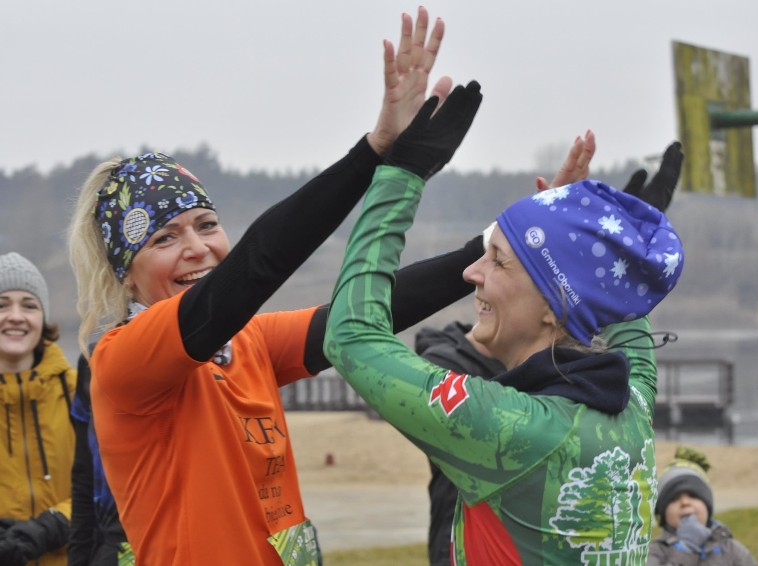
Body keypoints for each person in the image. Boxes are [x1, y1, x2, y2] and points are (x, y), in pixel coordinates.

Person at [66, 8, 490, 565]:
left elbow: (369, 310)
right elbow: (255, 267)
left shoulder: (249, 344)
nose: (197, 247)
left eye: (207, 226)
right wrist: (375, 153)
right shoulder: (125, 361)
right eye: (165, 238)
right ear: (126, 272)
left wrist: (502, 246)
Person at [324, 82, 686, 563]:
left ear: (550, 306)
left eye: (497, 260)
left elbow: (351, 337)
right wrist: (604, 245)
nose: (471, 271)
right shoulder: (631, 405)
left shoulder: (512, 429)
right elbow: (620, 314)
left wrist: (402, 173)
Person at [415, 137, 684, 565]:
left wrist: (603, 266)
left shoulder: (588, 388)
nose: (476, 276)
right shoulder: (452, 365)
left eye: (500, 263)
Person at [0, 252, 77, 566]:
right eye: (2, 305)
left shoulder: (80, 392)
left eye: (29, 305)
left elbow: (112, 483)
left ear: (42, 319)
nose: (16, 316)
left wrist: (55, 524)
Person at [67, 352, 133, 566]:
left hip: (182, 542)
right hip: (114, 547)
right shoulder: (94, 358)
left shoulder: (200, 354)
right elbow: (83, 478)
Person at [647, 446, 758, 566]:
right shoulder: (655, 551)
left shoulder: (731, 549)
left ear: (707, 506)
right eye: (674, 499)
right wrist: (685, 548)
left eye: (693, 496)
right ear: (662, 514)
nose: (685, 503)